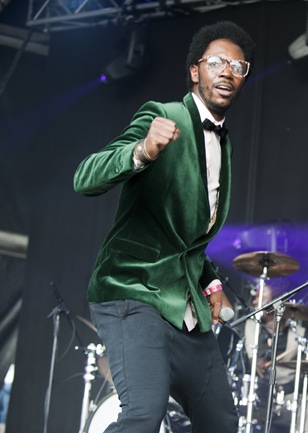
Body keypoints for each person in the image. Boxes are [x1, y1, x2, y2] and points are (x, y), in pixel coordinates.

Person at [73, 21, 255, 433]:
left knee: (223, 423)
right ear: (195, 71)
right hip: (133, 292)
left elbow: (186, 239)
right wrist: (141, 150)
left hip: (185, 310)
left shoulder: (224, 145)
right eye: (216, 63)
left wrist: (210, 283)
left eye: (239, 67)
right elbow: (85, 178)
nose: (228, 71)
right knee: (142, 415)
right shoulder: (164, 115)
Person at [243, 284, 308, 433]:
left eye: (261, 298)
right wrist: (252, 363)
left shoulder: (300, 335)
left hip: (284, 400)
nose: (254, 302)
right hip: (251, 400)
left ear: (276, 304)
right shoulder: (248, 327)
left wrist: (281, 391)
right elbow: (233, 369)